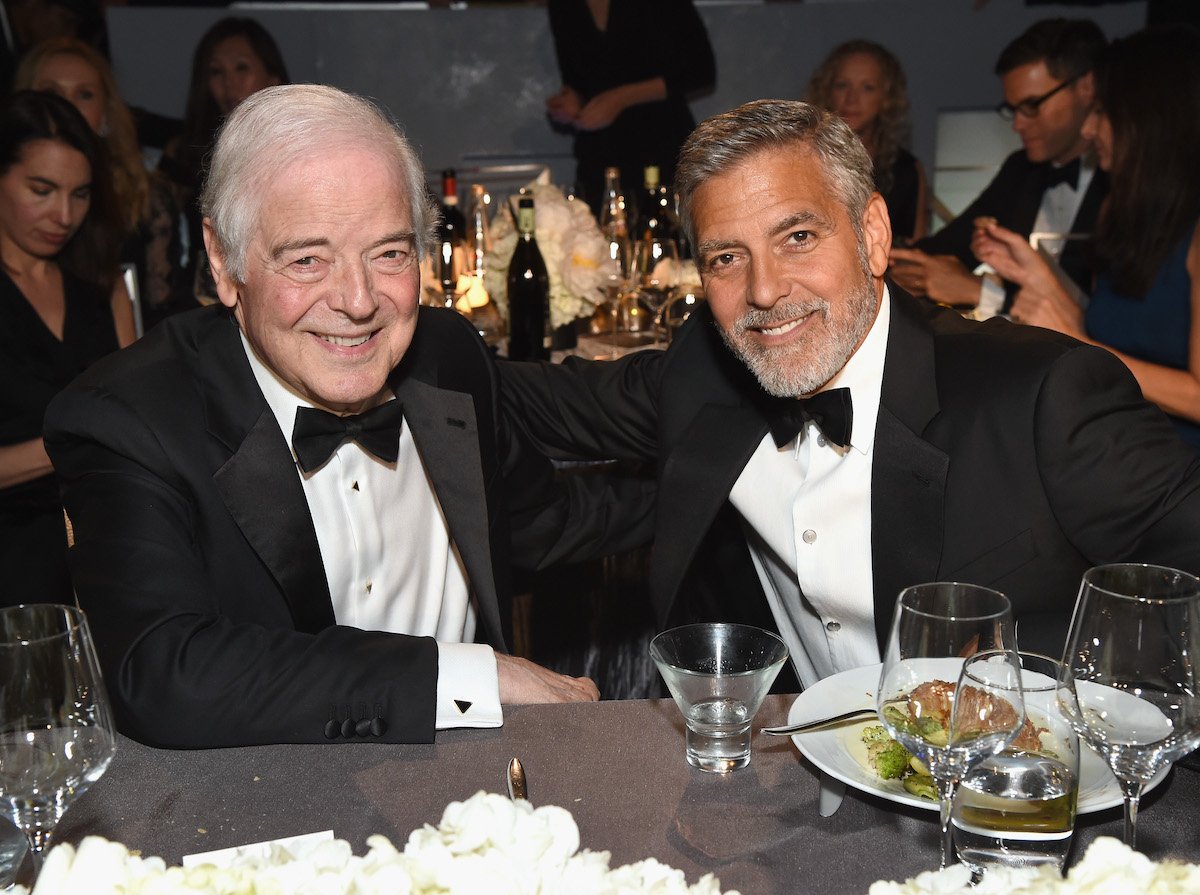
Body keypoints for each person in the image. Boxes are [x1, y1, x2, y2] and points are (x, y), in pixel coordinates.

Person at [500, 99, 1200, 689]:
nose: (765, 290)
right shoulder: (703, 373)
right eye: (725, 257)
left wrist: (1034, 683)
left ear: (872, 234)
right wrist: (396, 316)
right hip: (795, 796)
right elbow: (523, 398)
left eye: (798, 236)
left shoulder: (1042, 394)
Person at [44, 84, 653, 748]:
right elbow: (165, 674)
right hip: (271, 815)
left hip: (473, 783)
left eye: (389, 253)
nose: (358, 301)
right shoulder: (134, 417)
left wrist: (717, 482)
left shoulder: (445, 355)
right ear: (223, 261)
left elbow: (535, 522)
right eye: (307, 259)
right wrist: (465, 675)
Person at [973, 27, 1200, 450]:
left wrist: (1084, 345)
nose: (1090, 130)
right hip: (1115, 446)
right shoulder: (1122, 207)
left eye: (1102, 112)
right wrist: (1040, 277)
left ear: (1151, 119)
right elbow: (1107, 333)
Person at [0, 90, 134, 606]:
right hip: (16, 546)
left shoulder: (98, 284)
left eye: (79, 195)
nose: (62, 214)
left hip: (105, 529)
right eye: (41, 189)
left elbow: (137, 412)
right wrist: (77, 439)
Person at [889, 18, 1108, 313]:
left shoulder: (1123, 183)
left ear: (1086, 86)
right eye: (1013, 109)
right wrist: (882, 258)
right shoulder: (1021, 170)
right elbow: (948, 247)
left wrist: (981, 292)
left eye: (1032, 105)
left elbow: (1107, 324)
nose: (1017, 124)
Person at [15, 36, 187, 323]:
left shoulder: (147, 194)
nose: (67, 106)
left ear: (106, 111)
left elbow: (163, 309)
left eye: (84, 94)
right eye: (51, 91)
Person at [159, 17, 288, 303]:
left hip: (282, 294)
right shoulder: (187, 153)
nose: (230, 83)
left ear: (272, 77)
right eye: (216, 72)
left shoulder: (296, 152)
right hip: (205, 297)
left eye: (242, 68)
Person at [545, 0, 715, 215]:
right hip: (599, 154)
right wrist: (572, 102)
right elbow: (575, 79)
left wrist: (621, 98)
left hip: (659, 142)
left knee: (663, 232)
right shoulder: (562, 6)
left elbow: (701, 71)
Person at [806, 39, 927, 243]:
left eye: (867, 87)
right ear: (827, 91)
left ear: (887, 98)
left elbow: (916, 247)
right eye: (842, 85)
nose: (852, 98)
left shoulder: (907, 170)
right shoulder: (802, 159)